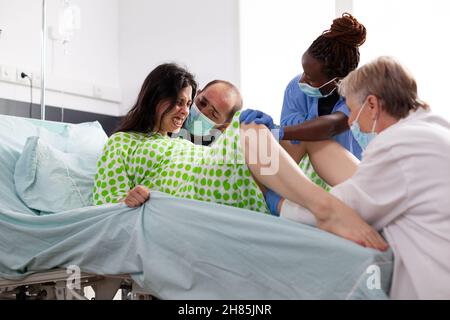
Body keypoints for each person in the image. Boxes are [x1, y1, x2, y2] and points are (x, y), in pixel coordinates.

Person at [92, 62, 387, 251]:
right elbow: (101, 205)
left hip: (229, 186)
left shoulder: (193, 144)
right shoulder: (123, 142)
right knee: (251, 128)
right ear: (155, 97)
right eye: (180, 102)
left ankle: (378, 195)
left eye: (187, 103)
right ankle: (327, 209)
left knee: (303, 138)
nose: (185, 111)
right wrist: (129, 198)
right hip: (196, 194)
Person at [242, 56, 450, 299]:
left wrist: (277, 203)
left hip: (435, 285)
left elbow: (332, 211)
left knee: (270, 139)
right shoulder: (435, 131)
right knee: (260, 135)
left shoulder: (397, 147)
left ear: (372, 105)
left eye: (351, 110)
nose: (350, 121)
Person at [280, 13, 366, 162]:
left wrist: (277, 132)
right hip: (306, 173)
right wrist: (266, 130)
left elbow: (332, 126)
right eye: (304, 72)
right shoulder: (295, 89)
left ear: (337, 80)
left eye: (311, 79)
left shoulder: (360, 96)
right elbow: (291, 143)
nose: (302, 80)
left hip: (349, 174)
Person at [175, 80, 243, 146]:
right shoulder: (169, 117)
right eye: (202, 103)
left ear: (224, 126)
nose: (202, 112)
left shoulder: (216, 153)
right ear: (197, 94)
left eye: (213, 114)